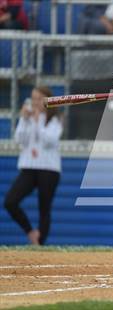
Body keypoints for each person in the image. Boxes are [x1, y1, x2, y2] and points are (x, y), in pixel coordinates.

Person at [4, 86, 62, 245]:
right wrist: (23, 119)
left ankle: (40, 243)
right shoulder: (27, 119)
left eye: (39, 99)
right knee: (10, 201)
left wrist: (38, 123)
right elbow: (19, 140)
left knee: (44, 208)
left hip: (49, 169)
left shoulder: (55, 120)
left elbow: (49, 141)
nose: (35, 102)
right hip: (29, 167)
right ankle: (30, 232)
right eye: (33, 99)